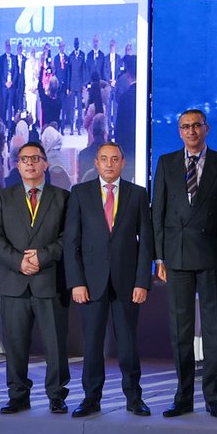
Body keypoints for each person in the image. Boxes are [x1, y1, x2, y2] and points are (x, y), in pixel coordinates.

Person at [152, 108, 217, 418]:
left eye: (197, 125)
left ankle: (212, 397)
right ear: (179, 132)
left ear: (206, 128)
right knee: (181, 331)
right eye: (185, 126)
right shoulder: (166, 162)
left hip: (211, 257)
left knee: (212, 330)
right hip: (176, 257)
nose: (191, 131)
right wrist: (159, 257)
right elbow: (157, 213)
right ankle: (183, 397)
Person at [64, 142, 155, 417]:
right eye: (104, 159)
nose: (109, 164)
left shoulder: (137, 194)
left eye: (115, 159)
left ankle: (134, 397)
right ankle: (91, 398)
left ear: (123, 163)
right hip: (91, 283)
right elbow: (71, 243)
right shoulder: (80, 193)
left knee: (128, 344)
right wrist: (76, 282)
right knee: (92, 344)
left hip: (127, 282)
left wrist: (142, 282)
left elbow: (146, 243)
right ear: (96, 163)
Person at [0, 141, 71, 414]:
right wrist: (18, 261)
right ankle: (18, 395)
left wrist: (42, 257)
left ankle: (56, 395)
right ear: (17, 165)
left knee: (55, 344)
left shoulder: (63, 198)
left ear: (45, 163)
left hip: (50, 281)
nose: (30, 164)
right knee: (15, 344)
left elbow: (69, 238)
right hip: (14, 281)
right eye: (24, 159)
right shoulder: (3, 197)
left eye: (35, 158)